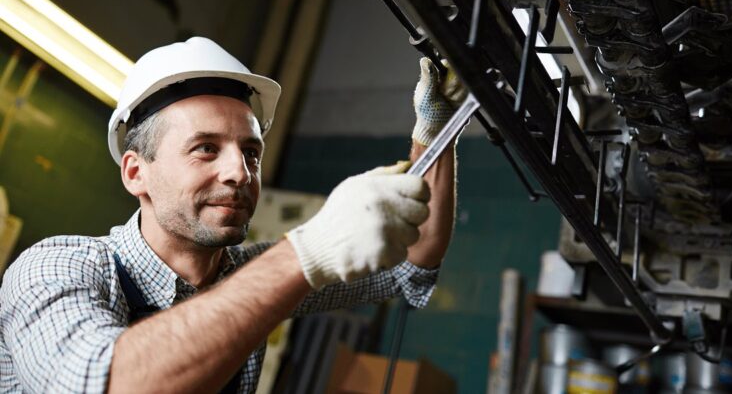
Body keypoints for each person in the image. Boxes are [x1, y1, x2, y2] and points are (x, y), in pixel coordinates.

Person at [0, 37, 466, 393]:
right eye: (205, 149)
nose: (239, 173)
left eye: (251, 152)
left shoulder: (245, 275)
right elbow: (108, 383)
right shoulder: (56, 269)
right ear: (136, 173)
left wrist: (436, 129)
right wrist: (304, 255)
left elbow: (414, 255)